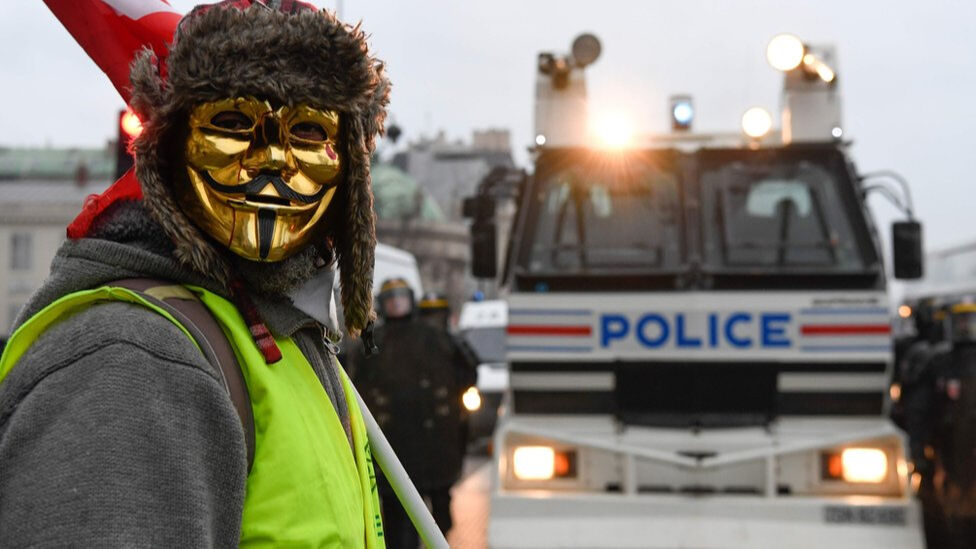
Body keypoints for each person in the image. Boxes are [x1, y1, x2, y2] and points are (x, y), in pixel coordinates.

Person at [0, 1, 391, 546]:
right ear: (169, 147)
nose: (275, 160)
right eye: (233, 123)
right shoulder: (131, 359)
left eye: (306, 132)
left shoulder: (291, 337)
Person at [349, 282, 473, 548]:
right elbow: (355, 383)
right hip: (395, 441)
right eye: (390, 298)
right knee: (398, 521)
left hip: (434, 443)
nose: (396, 303)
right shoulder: (373, 342)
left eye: (401, 297)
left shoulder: (433, 336)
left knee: (440, 512)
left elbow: (465, 369)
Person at [934, 301, 976, 548]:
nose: (966, 329)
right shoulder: (942, 361)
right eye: (960, 323)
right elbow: (923, 407)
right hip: (952, 453)